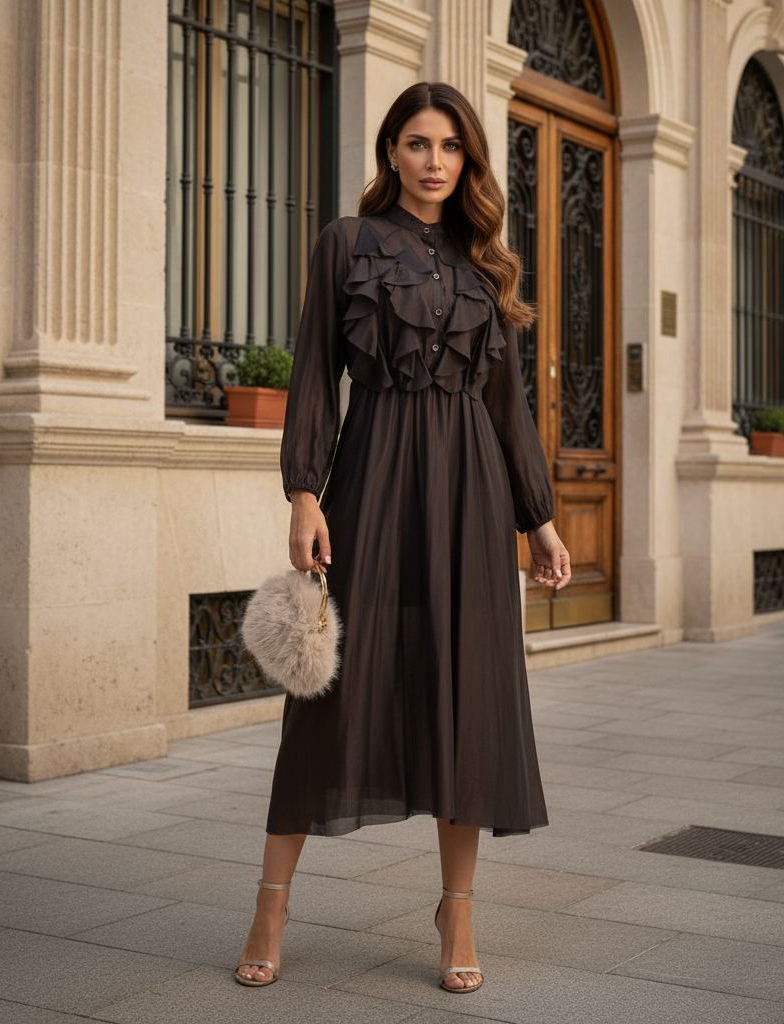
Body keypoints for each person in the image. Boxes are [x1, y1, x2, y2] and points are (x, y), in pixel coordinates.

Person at [235, 81, 571, 995]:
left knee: (465, 696)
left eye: (451, 147)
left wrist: (538, 518)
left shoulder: (487, 262)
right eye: (419, 143)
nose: (434, 161)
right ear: (390, 149)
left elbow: (507, 404)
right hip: (373, 481)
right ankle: (272, 901)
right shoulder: (345, 244)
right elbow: (314, 373)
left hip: (471, 497)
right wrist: (304, 494)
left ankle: (456, 911)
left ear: (468, 161)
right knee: (329, 695)